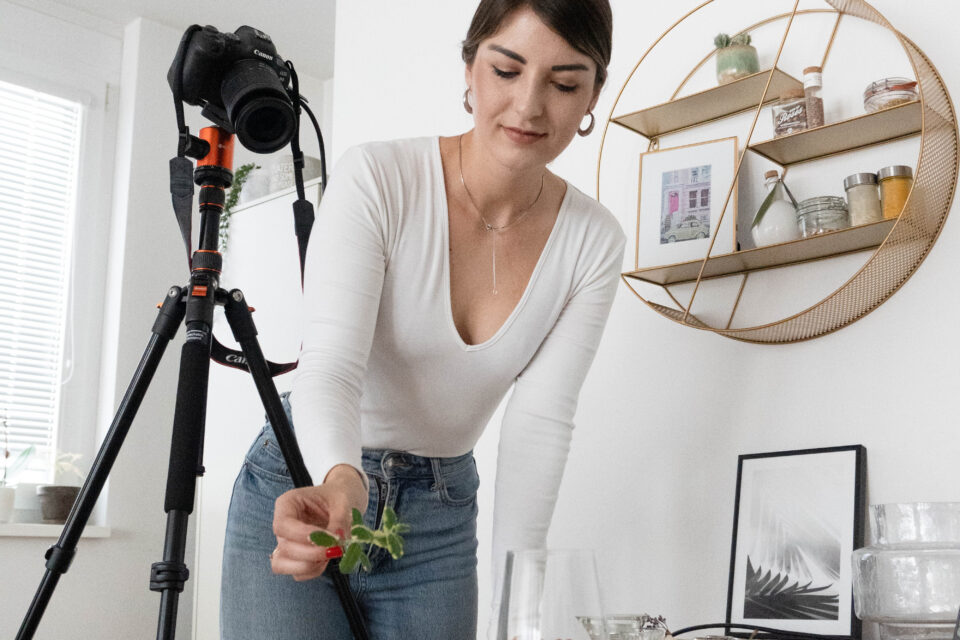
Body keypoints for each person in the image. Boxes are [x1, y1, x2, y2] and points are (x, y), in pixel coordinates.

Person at [220, 0, 623, 638]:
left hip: (437, 520)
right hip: (311, 481)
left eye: (564, 83)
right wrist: (341, 483)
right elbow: (331, 366)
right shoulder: (380, 178)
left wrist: (517, 614)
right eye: (507, 71)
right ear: (470, 69)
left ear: (593, 93)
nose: (528, 106)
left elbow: (539, 426)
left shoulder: (592, 241)